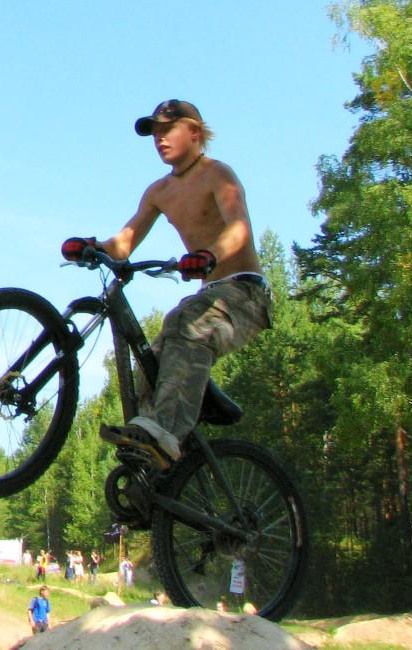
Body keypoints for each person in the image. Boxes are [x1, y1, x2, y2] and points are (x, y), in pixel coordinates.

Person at [62, 99, 271, 470]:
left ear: (194, 132)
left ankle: (165, 433)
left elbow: (239, 228)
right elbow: (124, 243)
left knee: (184, 322)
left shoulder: (217, 174)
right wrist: (94, 247)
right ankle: (152, 460)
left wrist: (209, 255)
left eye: (167, 130)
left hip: (244, 293)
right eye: (154, 133)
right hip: (210, 295)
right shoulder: (158, 191)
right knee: (151, 364)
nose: (159, 139)